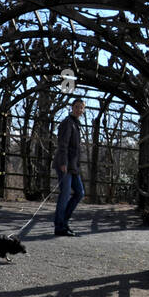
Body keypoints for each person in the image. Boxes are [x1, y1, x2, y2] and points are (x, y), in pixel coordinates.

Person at [53, 98, 86, 236]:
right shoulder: (67, 123)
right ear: (72, 107)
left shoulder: (76, 124)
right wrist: (63, 163)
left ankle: (64, 222)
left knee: (79, 193)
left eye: (82, 108)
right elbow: (63, 145)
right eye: (77, 107)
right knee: (65, 195)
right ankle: (59, 227)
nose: (79, 110)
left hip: (74, 166)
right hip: (65, 164)